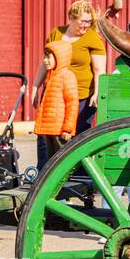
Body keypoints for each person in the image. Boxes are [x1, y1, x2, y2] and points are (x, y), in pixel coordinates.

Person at [33, 0, 106, 134]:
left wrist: (97, 93)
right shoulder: (56, 34)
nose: (86, 25)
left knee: (76, 136)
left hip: (82, 97)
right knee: (50, 134)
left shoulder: (93, 38)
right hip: (55, 95)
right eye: (83, 21)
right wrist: (35, 87)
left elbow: (99, 70)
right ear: (72, 18)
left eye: (89, 22)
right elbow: (45, 62)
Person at [34, 42, 78, 171]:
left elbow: (72, 103)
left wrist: (68, 129)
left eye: (49, 57)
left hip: (59, 130)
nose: (45, 61)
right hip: (50, 128)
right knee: (51, 162)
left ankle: (63, 187)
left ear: (60, 58)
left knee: (61, 162)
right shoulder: (51, 76)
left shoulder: (67, 76)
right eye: (44, 57)